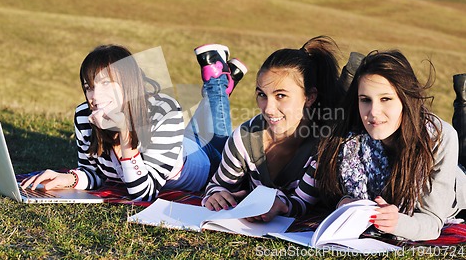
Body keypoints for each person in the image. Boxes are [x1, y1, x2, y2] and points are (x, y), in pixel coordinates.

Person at [21, 43, 248, 201]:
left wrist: (124, 136)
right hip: (174, 145)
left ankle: (217, 80)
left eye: (106, 84)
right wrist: (69, 178)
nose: (95, 97)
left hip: (203, 162)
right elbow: (95, 174)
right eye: (89, 87)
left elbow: (144, 193)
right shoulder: (84, 116)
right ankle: (224, 81)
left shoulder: (164, 110)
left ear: (128, 82)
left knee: (216, 137)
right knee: (198, 128)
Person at [315, 50, 466, 241]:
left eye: (385, 99)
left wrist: (398, 223)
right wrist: (343, 202)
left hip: (455, 193)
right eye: (365, 100)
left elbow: (432, 222)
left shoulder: (439, 138)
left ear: (405, 99)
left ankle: (464, 104)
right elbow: (330, 190)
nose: (373, 112)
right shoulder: (349, 136)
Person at [202, 35, 343, 222]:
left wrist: (280, 206)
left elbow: (303, 204)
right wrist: (216, 195)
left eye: (281, 96)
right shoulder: (244, 138)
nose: (268, 109)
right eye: (262, 94)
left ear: (309, 97)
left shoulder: (321, 146)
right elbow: (217, 186)